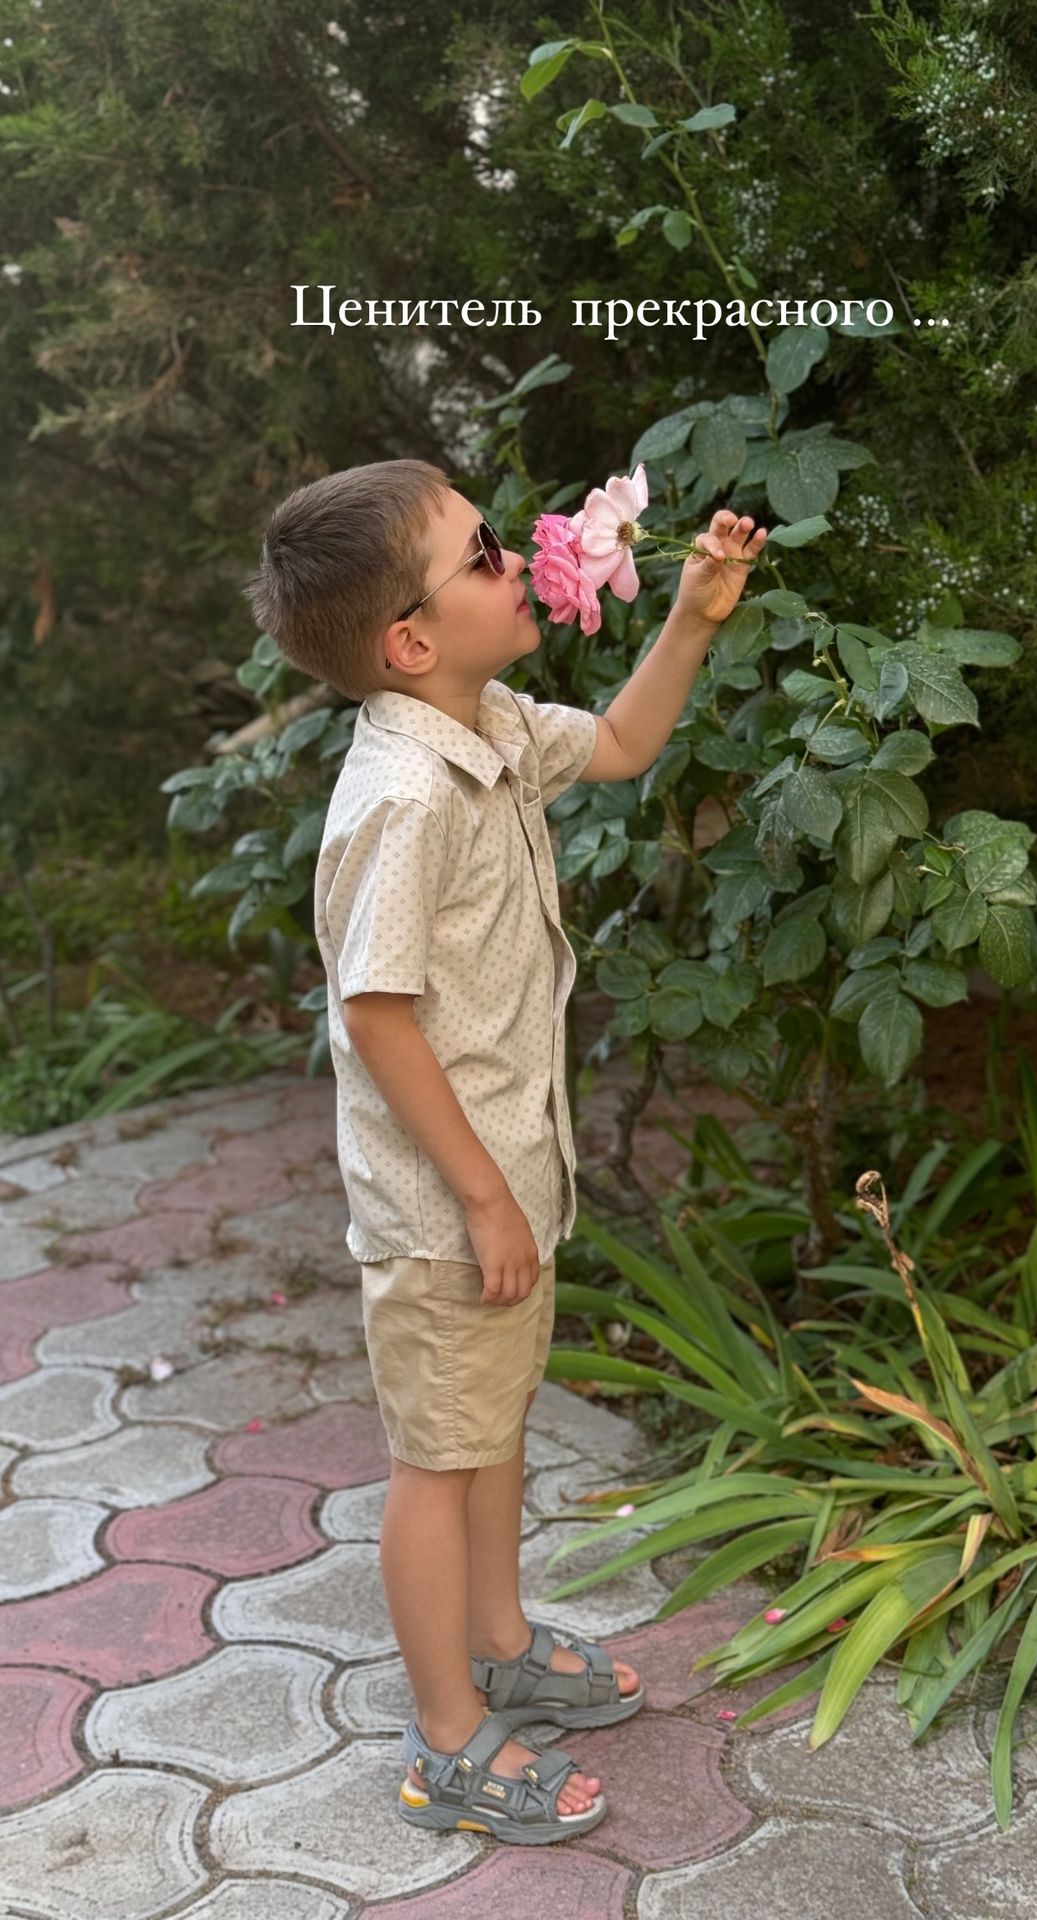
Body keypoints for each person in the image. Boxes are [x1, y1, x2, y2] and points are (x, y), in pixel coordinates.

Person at [243, 458, 767, 1844]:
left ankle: (499, 1643)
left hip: (501, 1192)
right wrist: (481, 1197)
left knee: (488, 1436)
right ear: (412, 641)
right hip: (445, 1208)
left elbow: (618, 748)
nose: (516, 552)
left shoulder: (481, 724)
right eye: (482, 549)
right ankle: (452, 1743)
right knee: (438, 1459)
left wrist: (695, 619)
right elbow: (375, 1010)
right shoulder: (403, 796)